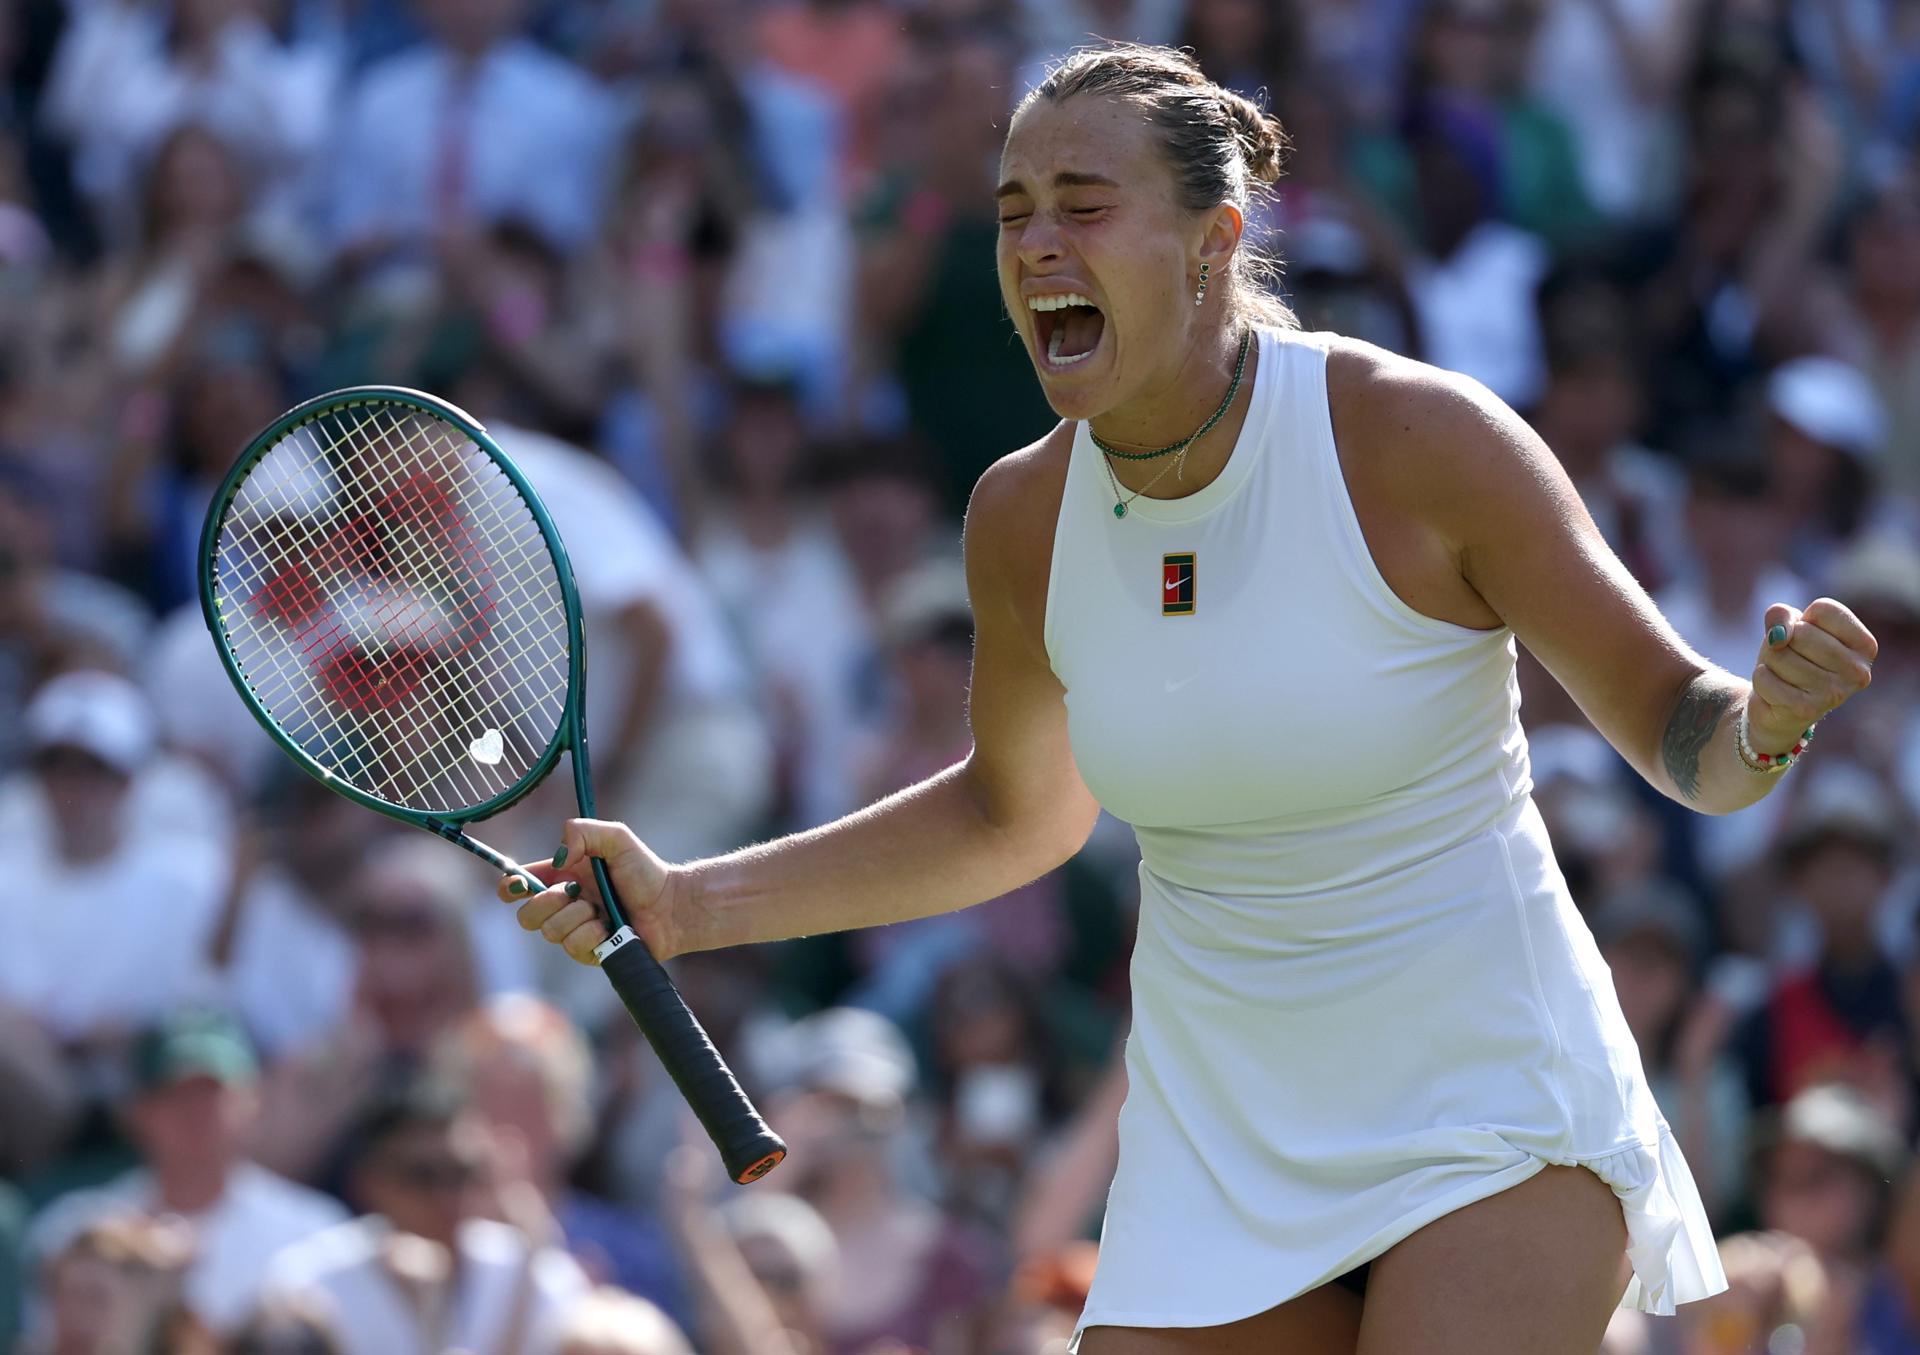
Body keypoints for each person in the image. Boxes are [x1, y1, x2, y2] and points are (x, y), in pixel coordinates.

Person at [500, 41, 1883, 1354]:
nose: (1038, 243)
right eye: (1013, 212)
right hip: (1215, 1131)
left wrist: (1765, 719)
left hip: (1489, 1099)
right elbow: (1011, 810)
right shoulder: (1021, 517)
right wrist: (689, 903)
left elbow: (1692, 741)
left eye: (1085, 206)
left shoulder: (1418, 438)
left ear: (1216, 238)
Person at [23, 1008, 347, 1335]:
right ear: (135, 1113)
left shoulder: (317, 1235)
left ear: (254, 1104)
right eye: (175, 1096)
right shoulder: (72, 1230)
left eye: (213, 1095)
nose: (196, 1114)